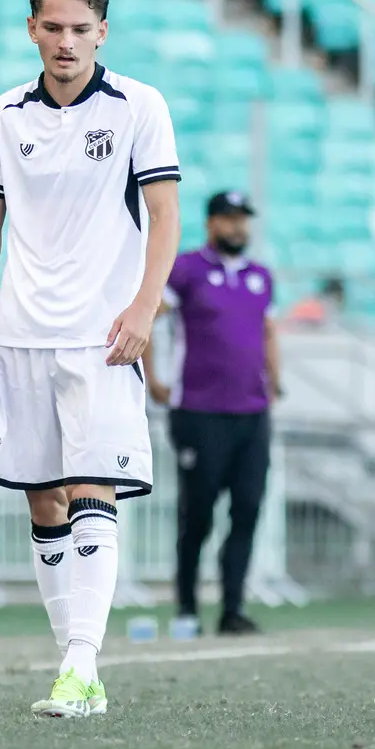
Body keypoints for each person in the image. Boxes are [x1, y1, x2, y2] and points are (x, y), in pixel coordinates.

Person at [0, 0, 181, 718]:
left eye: (80, 30)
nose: (65, 42)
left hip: (102, 334)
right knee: (44, 499)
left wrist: (145, 307)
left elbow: (165, 217)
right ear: (32, 29)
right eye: (52, 27)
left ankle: (83, 665)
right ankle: (73, 663)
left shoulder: (138, 107)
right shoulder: (0, 117)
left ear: (102, 34)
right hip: (20, 333)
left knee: (93, 484)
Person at [143, 191, 280, 637]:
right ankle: (186, 608)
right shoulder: (186, 270)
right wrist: (153, 376)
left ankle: (233, 609)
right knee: (197, 515)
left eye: (243, 219)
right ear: (211, 224)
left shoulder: (261, 277)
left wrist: (274, 380)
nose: (237, 227)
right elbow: (147, 316)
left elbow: (267, 330)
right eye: (229, 219)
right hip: (199, 412)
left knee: (246, 511)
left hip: (252, 414)